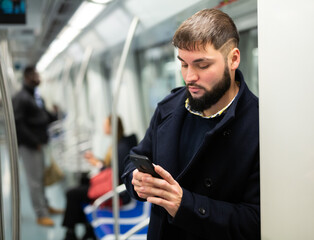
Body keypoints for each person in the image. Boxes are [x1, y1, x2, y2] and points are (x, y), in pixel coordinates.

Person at [122, 8, 260, 240]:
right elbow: (132, 161)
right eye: (184, 64)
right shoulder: (167, 108)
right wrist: (136, 179)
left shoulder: (259, 125)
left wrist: (184, 205)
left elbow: (255, 221)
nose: (189, 77)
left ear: (233, 59)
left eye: (202, 65)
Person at [62, 115, 137, 240]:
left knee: (72, 194)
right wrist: (97, 161)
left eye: (105, 125)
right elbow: (111, 167)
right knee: (82, 182)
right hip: (111, 185)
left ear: (112, 127)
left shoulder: (121, 148)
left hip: (117, 193)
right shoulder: (118, 143)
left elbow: (116, 174)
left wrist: (98, 164)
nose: (103, 128)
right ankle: (86, 228)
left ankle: (71, 232)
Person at [12, 66, 63, 226]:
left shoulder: (34, 96)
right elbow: (18, 124)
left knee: (41, 178)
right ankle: (40, 214)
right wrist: (34, 142)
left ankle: (45, 206)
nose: (38, 77)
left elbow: (41, 116)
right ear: (28, 77)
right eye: (35, 75)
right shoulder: (21, 98)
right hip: (30, 146)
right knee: (34, 181)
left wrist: (54, 115)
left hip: (39, 144)